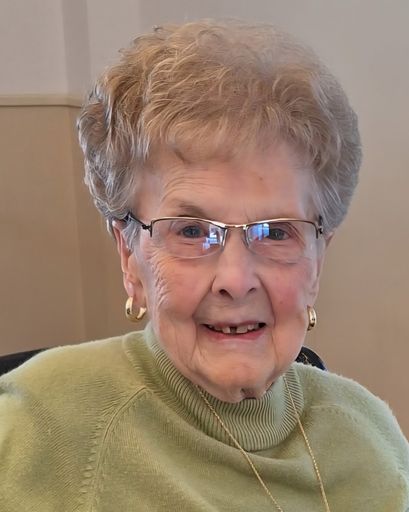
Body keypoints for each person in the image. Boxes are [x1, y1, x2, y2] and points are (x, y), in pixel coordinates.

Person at [0, 19, 408, 512]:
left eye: (276, 232)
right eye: (192, 231)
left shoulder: (369, 432)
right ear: (129, 254)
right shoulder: (39, 427)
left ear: (318, 260)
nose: (235, 280)